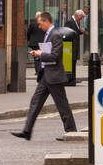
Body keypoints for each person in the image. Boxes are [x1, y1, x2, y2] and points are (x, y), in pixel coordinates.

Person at [13, 11, 77, 141]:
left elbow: (55, 55)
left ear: (46, 21)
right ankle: (27, 131)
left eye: (40, 24)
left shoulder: (56, 35)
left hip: (54, 77)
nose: (39, 26)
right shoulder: (48, 34)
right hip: (46, 76)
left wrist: (40, 54)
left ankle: (71, 132)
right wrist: (39, 53)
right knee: (35, 102)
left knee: (62, 106)